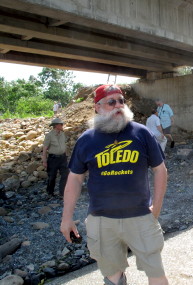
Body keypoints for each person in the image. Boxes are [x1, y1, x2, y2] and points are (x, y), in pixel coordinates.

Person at [60, 84, 169, 285]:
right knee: (112, 277)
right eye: (111, 102)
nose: (118, 105)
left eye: (121, 101)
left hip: (140, 217)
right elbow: (75, 179)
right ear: (97, 107)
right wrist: (66, 218)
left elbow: (160, 169)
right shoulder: (86, 140)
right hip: (102, 221)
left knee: (156, 272)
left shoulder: (141, 133)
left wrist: (157, 207)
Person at [42, 118, 69, 196]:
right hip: (53, 159)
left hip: (63, 158)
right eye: (61, 124)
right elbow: (44, 149)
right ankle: (50, 192)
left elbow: (64, 145)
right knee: (52, 176)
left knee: (65, 175)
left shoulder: (62, 134)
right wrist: (44, 161)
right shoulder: (49, 135)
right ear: (56, 125)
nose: (62, 126)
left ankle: (62, 192)